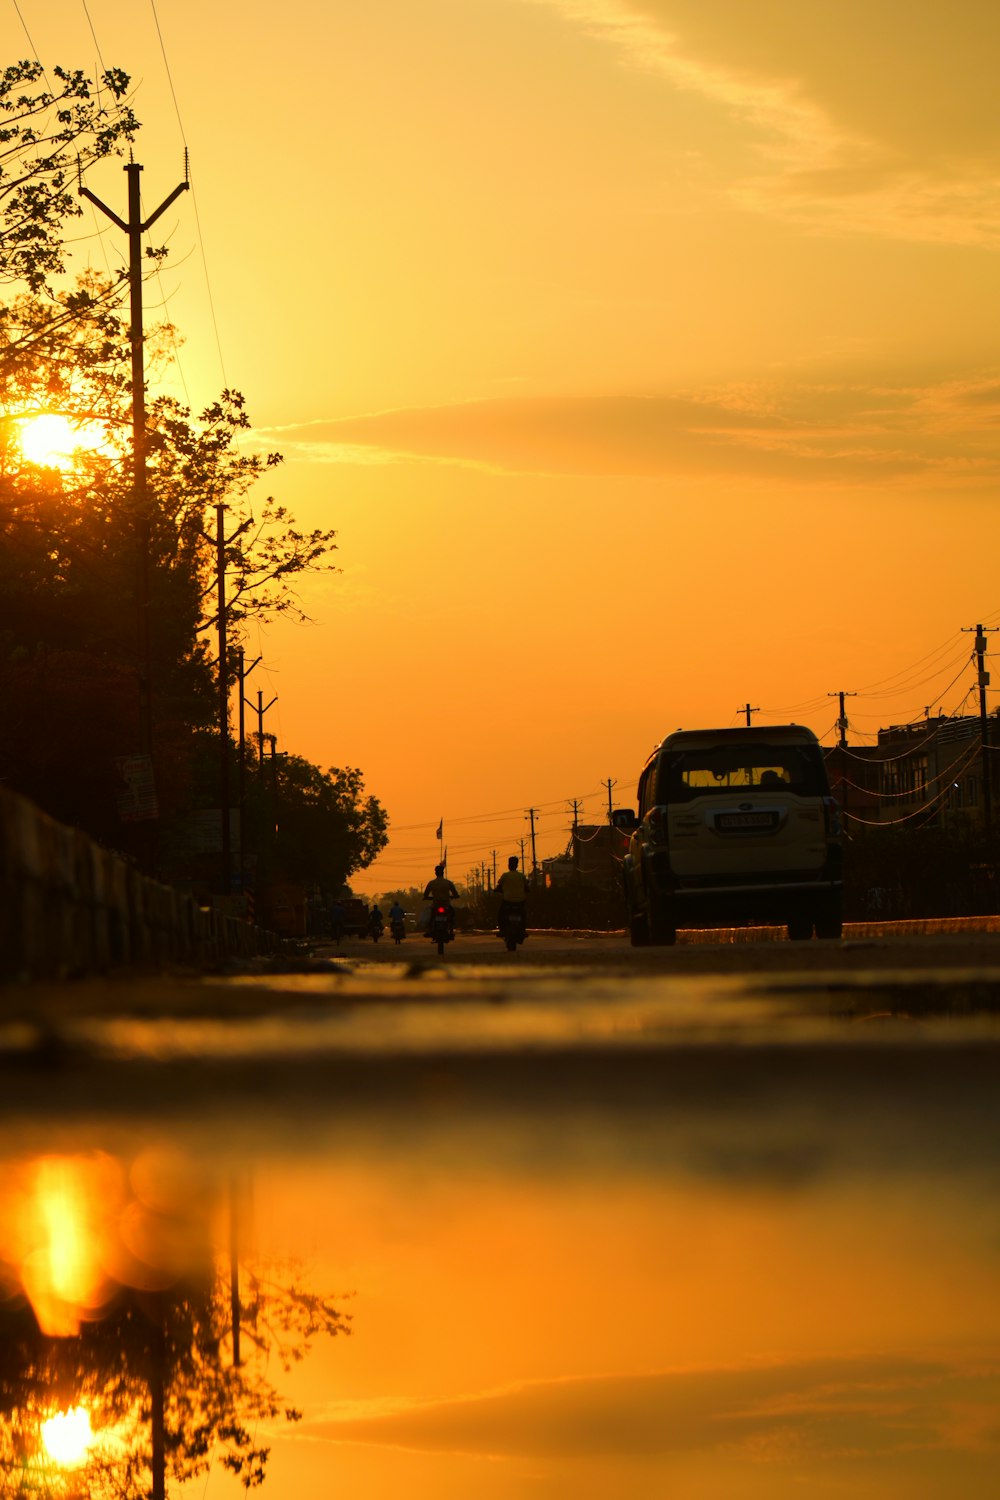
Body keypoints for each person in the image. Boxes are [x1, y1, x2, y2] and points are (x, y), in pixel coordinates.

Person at [423, 864, 459, 937]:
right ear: (443, 873)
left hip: (435, 905)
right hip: (446, 905)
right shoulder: (448, 883)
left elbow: (425, 894)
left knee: (431, 917)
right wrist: (455, 896)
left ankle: (429, 930)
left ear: (436, 873)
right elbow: (455, 893)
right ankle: (451, 931)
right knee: (452, 915)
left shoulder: (431, 883)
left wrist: (426, 897)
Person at [496, 855, 528, 934]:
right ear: (516, 865)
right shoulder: (522, 876)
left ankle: (501, 930)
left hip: (507, 901)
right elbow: (527, 887)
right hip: (520, 901)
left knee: (500, 914)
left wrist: (497, 890)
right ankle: (523, 929)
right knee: (523, 913)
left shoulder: (505, 876)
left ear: (509, 865)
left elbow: (499, 886)